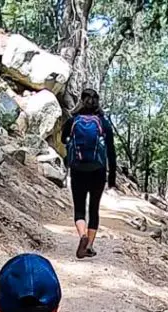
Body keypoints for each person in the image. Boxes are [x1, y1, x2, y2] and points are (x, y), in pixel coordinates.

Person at [61, 88, 117, 259]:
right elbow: (111, 151)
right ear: (97, 103)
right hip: (98, 171)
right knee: (94, 208)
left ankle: (82, 236)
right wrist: (112, 177)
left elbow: (63, 139)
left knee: (79, 208)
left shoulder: (73, 121)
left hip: (78, 169)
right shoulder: (103, 123)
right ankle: (89, 246)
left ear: (81, 101)